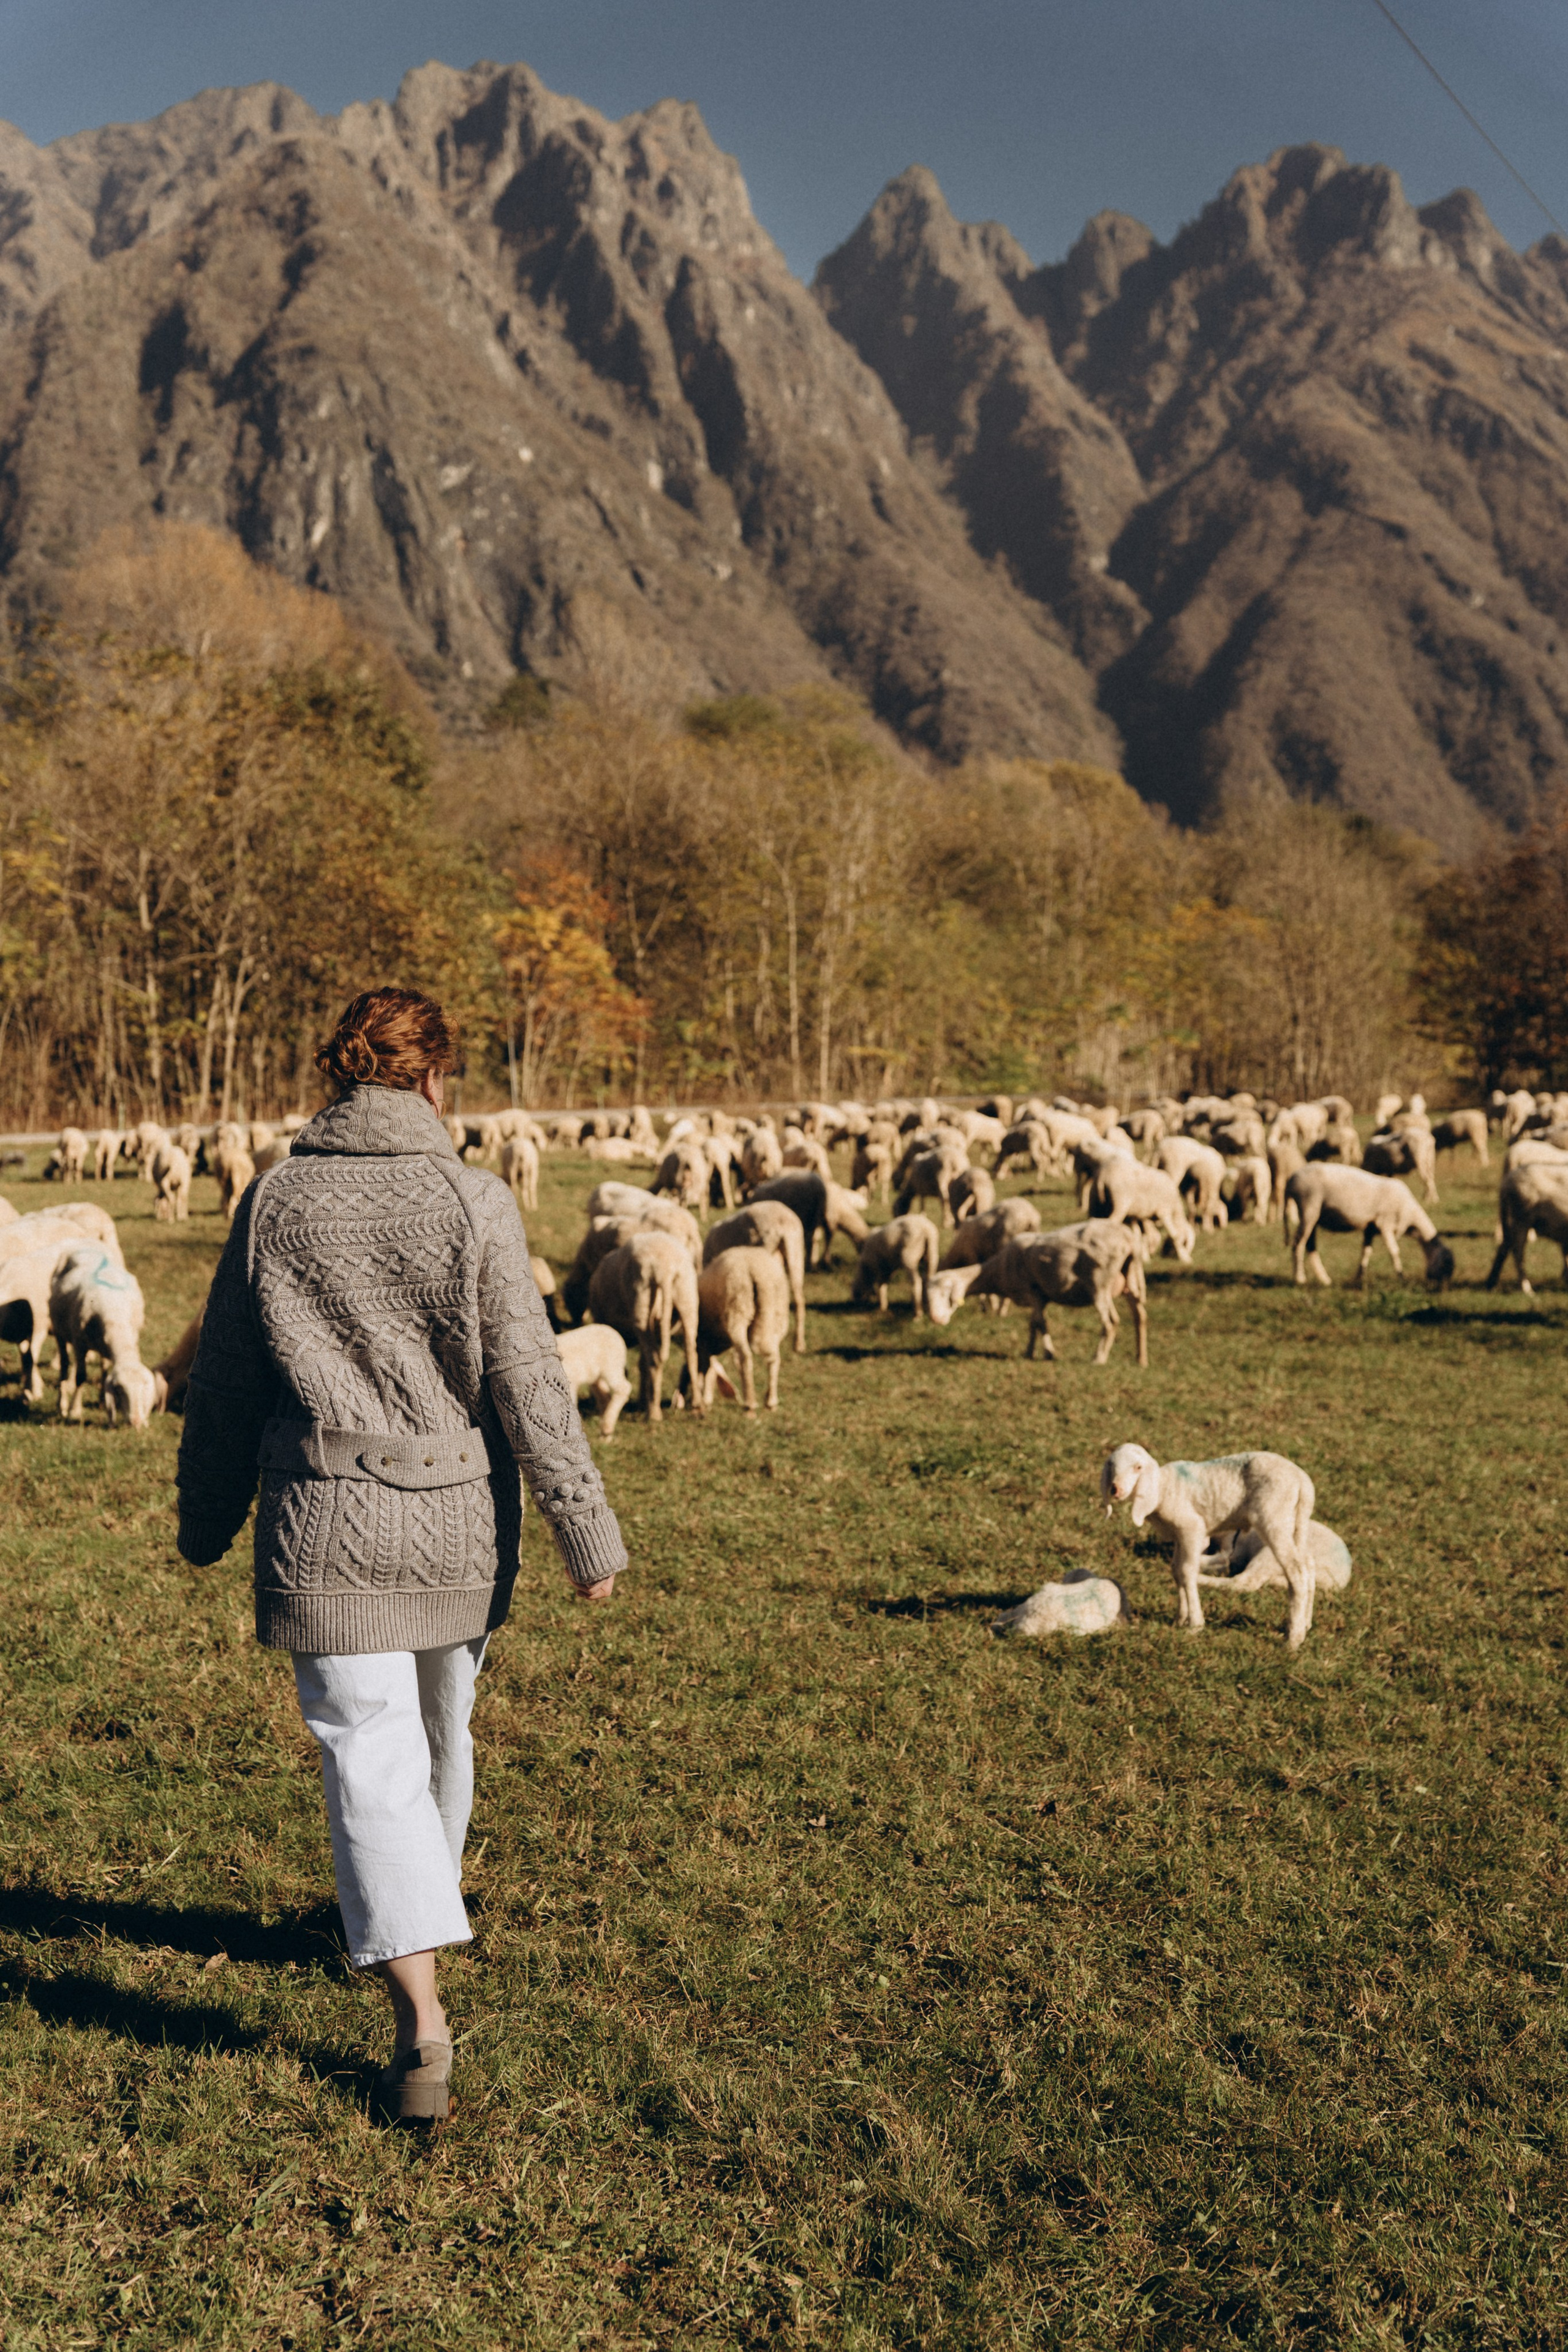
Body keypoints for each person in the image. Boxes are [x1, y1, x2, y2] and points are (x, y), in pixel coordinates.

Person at [175, 987, 625, 2122]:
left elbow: (224, 1376)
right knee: (439, 1732)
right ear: (435, 1081)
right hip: (452, 1521)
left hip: (324, 1522)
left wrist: (204, 1512)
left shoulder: (277, 1199)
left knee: (368, 1751)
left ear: (341, 1077)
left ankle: (419, 2016)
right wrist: (585, 1528)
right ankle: (421, 1914)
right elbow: (529, 1379)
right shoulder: (472, 1198)